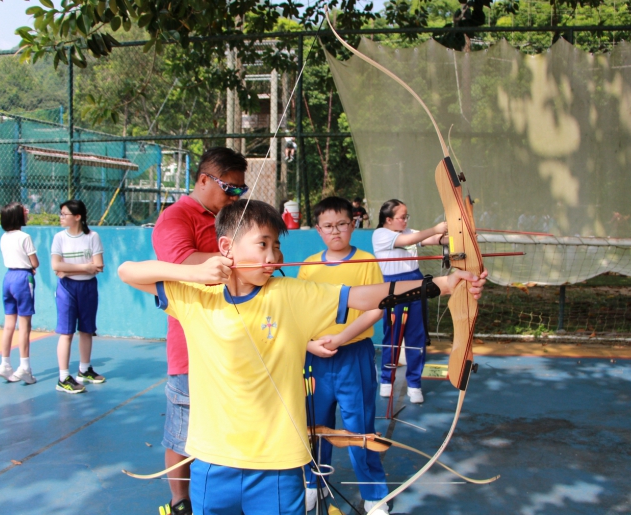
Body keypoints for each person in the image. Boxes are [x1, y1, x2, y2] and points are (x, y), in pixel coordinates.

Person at [118, 199, 486, 515]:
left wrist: (440, 284)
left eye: (276, 246)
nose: (272, 256)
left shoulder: (291, 294)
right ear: (226, 246)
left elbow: (365, 296)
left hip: (278, 463)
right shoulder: (197, 296)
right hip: (212, 461)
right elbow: (127, 272)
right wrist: (193, 272)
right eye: (262, 244)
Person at [151, 146, 248, 515]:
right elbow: (179, 263)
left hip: (233, 342)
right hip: (191, 346)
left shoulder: (230, 217)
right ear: (204, 179)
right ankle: (180, 501)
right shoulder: (176, 217)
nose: (235, 196)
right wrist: (241, 260)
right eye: (230, 188)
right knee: (182, 430)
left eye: (241, 189)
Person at [298, 197, 388, 514]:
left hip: (354, 356)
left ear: (353, 225)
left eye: (341, 224)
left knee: (359, 428)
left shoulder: (366, 261)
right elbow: (298, 311)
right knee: (314, 425)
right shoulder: (308, 266)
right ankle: (314, 482)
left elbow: (377, 307)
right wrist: (309, 344)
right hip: (315, 358)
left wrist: (341, 338)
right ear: (318, 229)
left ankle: (374, 494)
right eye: (327, 226)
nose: (335, 231)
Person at [372, 199, 447, 404]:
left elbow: (431, 239)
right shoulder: (381, 234)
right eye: (402, 217)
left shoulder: (409, 232)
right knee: (393, 335)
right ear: (388, 219)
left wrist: (449, 237)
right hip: (393, 288)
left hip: (416, 284)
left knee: (417, 336)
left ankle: (414, 384)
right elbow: (409, 240)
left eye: (407, 217)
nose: (405, 220)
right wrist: (435, 228)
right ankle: (386, 380)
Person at [51, 200, 104, 394]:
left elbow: (98, 265)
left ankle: (84, 369)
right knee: (66, 333)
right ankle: (63, 377)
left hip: (88, 287)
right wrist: (84, 267)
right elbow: (56, 266)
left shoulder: (92, 237)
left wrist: (68, 269)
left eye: (64, 214)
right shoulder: (59, 238)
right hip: (67, 288)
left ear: (77, 216)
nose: (61, 217)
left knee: (86, 330)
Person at [0, 202, 39, 385]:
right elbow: (34, 262)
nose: (27, 211)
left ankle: (5, 363)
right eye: (23, 210)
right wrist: (31, 267)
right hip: (23, 279)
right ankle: (25, 367)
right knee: (25, 325)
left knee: (9, 324)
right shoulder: (24, 237)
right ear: (17, 216)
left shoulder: (4, 237)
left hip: (8, 278)